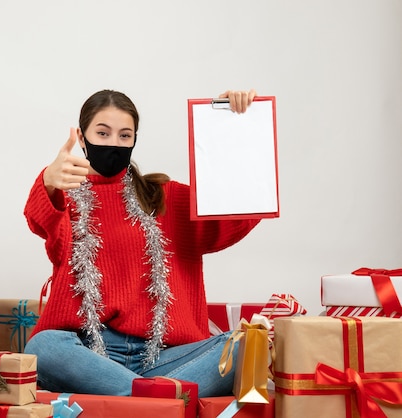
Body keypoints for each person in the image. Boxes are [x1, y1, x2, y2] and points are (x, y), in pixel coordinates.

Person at [23, 89, 260, 398]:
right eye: (103, 133)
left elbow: (240, 210)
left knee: (243, 346)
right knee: (43, 347)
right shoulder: (66, 197)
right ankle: (157, 402)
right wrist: (48, 180)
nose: (114, 143)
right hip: (90, 354)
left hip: (165, 356)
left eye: (125, 135)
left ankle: (139, 400)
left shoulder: (166, 197)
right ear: (82, 138)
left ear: (135, 139)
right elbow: (39, 218)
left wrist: (233, 125)